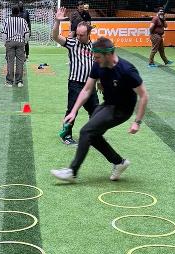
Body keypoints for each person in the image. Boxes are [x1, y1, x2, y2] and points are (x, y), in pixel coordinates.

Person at [51, 37, 149, 183]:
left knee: (86, 132)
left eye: (97, 57)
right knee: (92, 135)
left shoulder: (127, 70)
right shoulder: (98, 65)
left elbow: (144, 95)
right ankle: (119, 162)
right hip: (107, 104)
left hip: (121, 110)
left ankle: (72, 172)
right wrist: (73, 111)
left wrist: (137, 122)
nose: (94, 59)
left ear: (108, 54)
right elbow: (86, 90)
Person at [51, 7, 98, 146]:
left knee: (95, 111)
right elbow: (55, 37)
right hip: (75, 84)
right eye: (77, 34)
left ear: (88, 34)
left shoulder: (94, 47)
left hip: (90, 85)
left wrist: (100, 81)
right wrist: (57, 22)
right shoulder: (72, 43)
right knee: (72, 110)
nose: (78, 37)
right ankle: (66, 135)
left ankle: (93, 135)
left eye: (81, 35)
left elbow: (97, 65)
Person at [1, 5, 30, 87]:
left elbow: (4, 33)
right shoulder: (23, 20)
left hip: (10, 42)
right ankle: (19, 81)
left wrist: (5, 43)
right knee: (20, 62)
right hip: (20, 42)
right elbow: (27, 33)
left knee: (10, 61)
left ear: (11, 11)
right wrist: (25, 42)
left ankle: (9, 82)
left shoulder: (7, 20)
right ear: (18, 12)